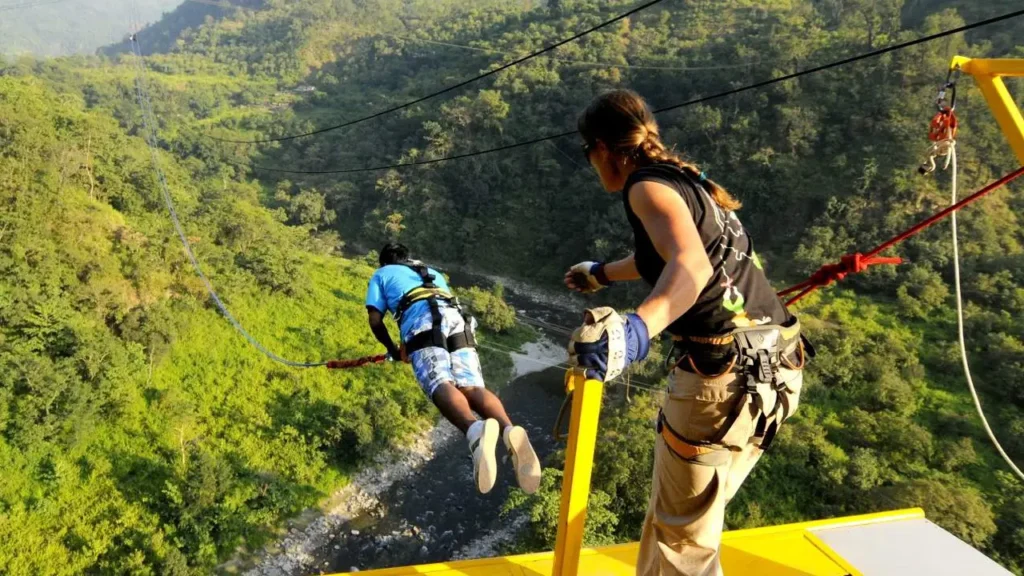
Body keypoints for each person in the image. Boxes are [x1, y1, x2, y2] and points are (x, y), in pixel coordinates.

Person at [564, 90, 809, 576]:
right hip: (778, 366)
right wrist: (602, 274)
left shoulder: (645, 188)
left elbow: (691, 266)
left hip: (720, 382)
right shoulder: (687, 182)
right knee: (684, 524)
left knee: (683, 545)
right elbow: (668, 254)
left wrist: (635, 332)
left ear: (603, 148)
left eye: (588, 152)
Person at [365, 243, 542, 495]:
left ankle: (475, 431)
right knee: (471, 387)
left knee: (440, 383)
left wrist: (393, 349)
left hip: (422, 322)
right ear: (407, 258)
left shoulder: (382, 274)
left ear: (384, 262)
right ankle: (509, 429)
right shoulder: (431, 272)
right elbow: (430, 302)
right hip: (458, 321)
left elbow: (375, 320)